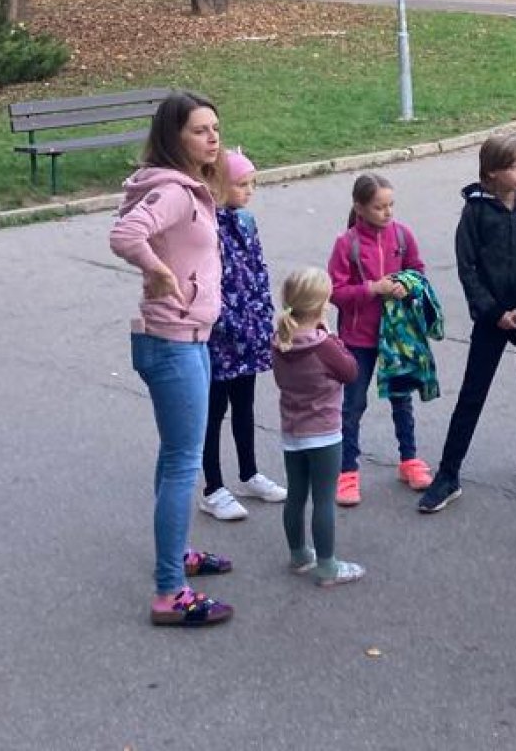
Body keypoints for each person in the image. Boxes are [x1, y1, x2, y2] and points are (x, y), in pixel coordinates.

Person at [108, 90, 235, 627]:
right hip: (172, 341)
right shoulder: (176, 193)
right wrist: (158, 271)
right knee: (185, 461)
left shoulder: (185, 186)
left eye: (215, 128)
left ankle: (176, 552)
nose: (213, 138)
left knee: (177, 456)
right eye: (200, 130)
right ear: (173, 136)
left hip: (188, 337)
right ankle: (169, 593)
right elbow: (125, 234)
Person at [418, 134, 516, 513]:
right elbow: (468, 270)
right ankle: (448, 474)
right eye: (515, 166)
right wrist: (494, 311)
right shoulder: (475, 213)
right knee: (471, 395)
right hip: (492, 318)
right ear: (492, 172)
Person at [327, 171, 432, 505]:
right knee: (353, 404)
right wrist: (372, 289)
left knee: (402, 398)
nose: (387, 213)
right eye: (379, 207)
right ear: (359, 208)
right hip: (358, 338)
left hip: (396, 335)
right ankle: (346, 470)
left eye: (391, 205)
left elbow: (418, 272)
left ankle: (409, 459)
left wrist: (406, 285)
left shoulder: (402, 235)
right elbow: (335, 291)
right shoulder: (347, 244)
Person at [198, 148, 287, 523]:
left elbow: (258, 272)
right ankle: (213, 488)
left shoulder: (246, 222)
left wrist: (264, 318)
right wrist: (225, 322)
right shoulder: (206, 225)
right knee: (213, 411)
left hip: (249, 333)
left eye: (252, 183)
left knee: (245, 405)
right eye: (241, 184)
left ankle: (249, 473)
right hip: (219, 338)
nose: (249, 191)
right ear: (218, 185)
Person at [272, 267, 365, 587]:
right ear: (322, 305)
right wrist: (333, 337)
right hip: (324, 433)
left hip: (292, 431)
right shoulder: (324, 345)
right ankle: (328, 566)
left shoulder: (281, 340)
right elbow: (350, 371)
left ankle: (299, 554)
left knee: (296, 495)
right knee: (323, 499)